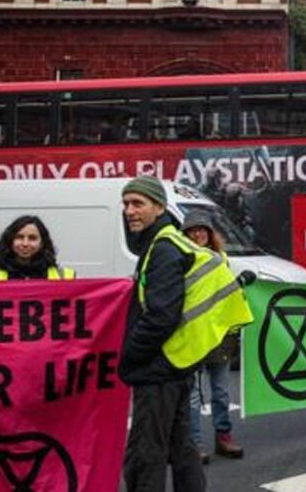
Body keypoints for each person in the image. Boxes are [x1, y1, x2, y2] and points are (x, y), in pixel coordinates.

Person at [118, 176, 207, 492]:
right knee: (181, 449)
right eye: (126, 204)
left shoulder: (164, 248)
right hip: (176, 364)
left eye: (138, 203)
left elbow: (160, 318)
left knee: (145, 455)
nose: (130, 211)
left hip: (158, 368)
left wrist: (128, 356)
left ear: (159, 206)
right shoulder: (165, 241)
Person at [182, 212, 244, 464]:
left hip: (219, 334)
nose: (198, 234)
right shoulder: (181, 259)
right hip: (193, 333)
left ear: (210, 234)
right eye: (193, 231)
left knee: (220, 391)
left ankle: (223, 437)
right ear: (185, 235)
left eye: (202, 230)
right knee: (194, 395)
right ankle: (194, 443)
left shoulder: (222, 259)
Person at [0, 215, 76, 280]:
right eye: (19, 237)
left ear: (42, 243)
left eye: (32, 238)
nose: (25, 243)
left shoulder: (65, 277)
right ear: (10, 241)